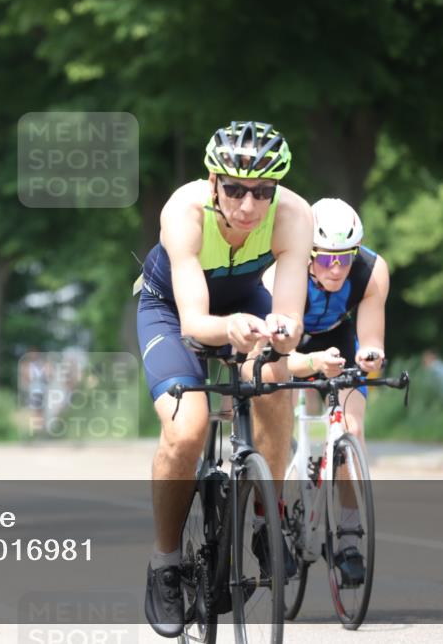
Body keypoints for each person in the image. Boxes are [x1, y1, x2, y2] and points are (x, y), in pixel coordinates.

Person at [134, 121, 312, 637]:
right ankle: (165, 562)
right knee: (187, 429)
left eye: (263, 191)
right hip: (171, 309)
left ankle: (266, 517)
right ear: (213, 181)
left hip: (242, 301)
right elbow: (195, 324)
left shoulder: (295, 217)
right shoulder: (183, 212)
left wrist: (282, 330)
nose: (249, 205)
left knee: (276, 377)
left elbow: (290, 318)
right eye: (234, 188)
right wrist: (231, 330)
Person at [264, 197, 389, 586]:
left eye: (345, 258)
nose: (336, 269)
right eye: (324, 259)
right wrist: (309, 362)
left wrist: (371, 357)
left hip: (337, 338)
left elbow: (370, 341)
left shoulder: (372, 271)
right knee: (278, 422)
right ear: (308, 255)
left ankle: (349, 537)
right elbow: (275, 357)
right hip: (290, 339)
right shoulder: (281, 274)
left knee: (350, 428)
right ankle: (272, 520)